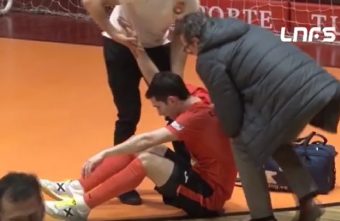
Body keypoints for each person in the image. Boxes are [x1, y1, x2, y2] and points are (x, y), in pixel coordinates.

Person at [175, 12, 340, 221]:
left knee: (243, 146)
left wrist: (230, 131)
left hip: (286, 99)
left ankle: (262, 216)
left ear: (196, 41)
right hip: (319, 86)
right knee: (273, 139)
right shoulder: (244, 28)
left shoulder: (208, 59)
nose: (187, 52)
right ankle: (308, 200)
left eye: (186, 47)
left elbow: (229, 106)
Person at [42, 69, 237, 220]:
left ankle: (81, 207)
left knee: (146, 159)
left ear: (172, 100)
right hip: (198, 175)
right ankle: (78, 187)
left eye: (158, 107)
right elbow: (155, 75)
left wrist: (103, 154)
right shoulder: (194, 94)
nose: (160, 114)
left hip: (209, 196)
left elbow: (148, 139)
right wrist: (138, 50)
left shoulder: (195, 118)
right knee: (141, 149)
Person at [81, 0, 200, 205]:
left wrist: (176, 74)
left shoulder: (190, 2)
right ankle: (122, 184)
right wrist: (114, 33)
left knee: (177, 111)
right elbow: (91, 2)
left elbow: (182, 31)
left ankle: (183, 176)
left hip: (157, 45)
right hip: (120, 44)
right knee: (128, 114)